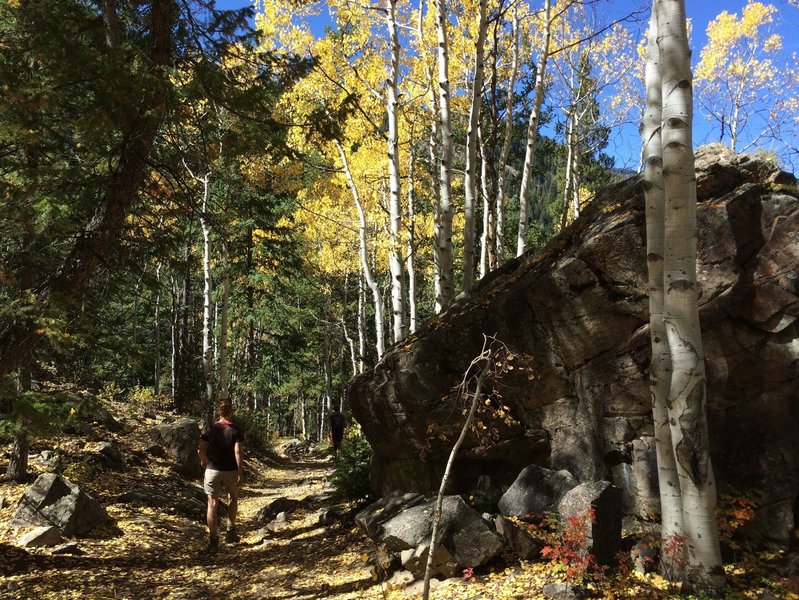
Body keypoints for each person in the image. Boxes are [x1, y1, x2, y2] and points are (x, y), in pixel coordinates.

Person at [198, 400, 244, 552]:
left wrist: (204, 460)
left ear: (219, 412)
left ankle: (213, 539)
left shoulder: (209, 428)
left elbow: (201, 448)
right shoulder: (235, 429)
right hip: (230, 470)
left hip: (212, 470)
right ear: (231, 412)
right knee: (233, 497)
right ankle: (230, 530)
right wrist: (240, 471)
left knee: (212, 503)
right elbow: (237, 452)